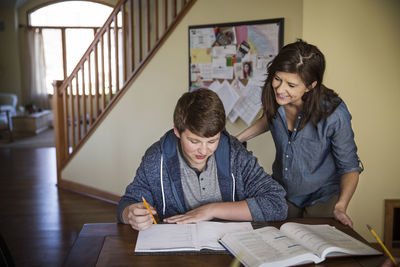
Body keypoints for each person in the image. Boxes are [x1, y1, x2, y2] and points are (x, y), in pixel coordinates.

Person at [117, 88, 288, 231]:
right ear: (177, 132)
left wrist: (212, 210)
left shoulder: (235, 154)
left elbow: (276, 203)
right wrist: (129, 213)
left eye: (212, 141)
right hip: (176, 251)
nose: (204, 150)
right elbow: (129, 202)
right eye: (194, 141)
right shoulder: (156, 157)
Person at [236, 40, 363, 227]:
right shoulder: (276, 97)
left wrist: (341, 206)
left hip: (323, 196)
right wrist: (238, 139)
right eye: (277, 79)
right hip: (283, 190)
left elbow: (350, 168)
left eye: (291, 85)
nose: (280, 89)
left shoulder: (335, 114)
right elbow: (270, 118)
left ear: (310, 85)